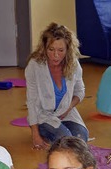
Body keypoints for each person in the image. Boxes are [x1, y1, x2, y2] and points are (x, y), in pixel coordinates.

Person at [26, 22, 87, 150]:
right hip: (43, 116)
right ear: (44, 47)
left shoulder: (73, 64)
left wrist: (68, 107)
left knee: (81, 138)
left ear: (68, 50)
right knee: (66, 140)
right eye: (51, 49)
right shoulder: (34, 65)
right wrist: (35, 135)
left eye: (61, 50)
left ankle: (57, 133)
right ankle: (48, 131)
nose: (56, 55)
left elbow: (80, 92)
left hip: (67, 113)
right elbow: (32, 102)